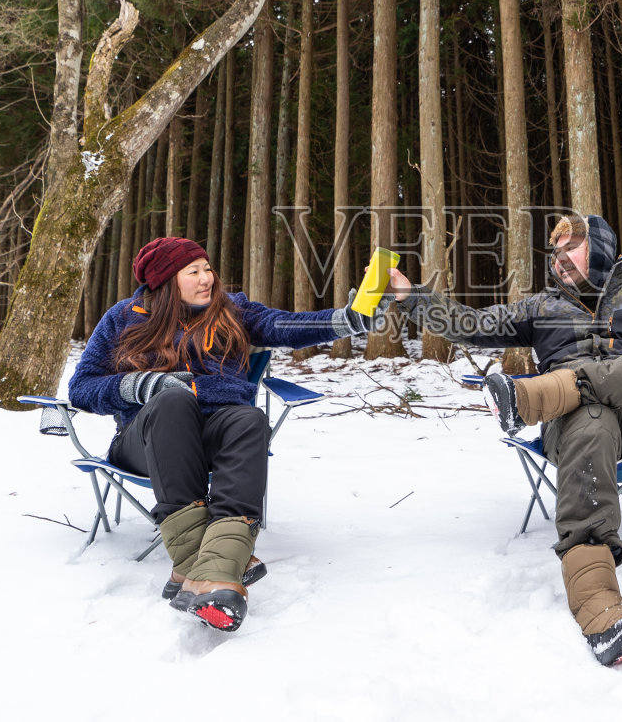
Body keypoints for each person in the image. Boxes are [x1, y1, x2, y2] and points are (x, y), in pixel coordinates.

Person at [387, 213, 622, 665]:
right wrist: (411, 297)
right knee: (592, 414)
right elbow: (473, 325)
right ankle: (599, 607)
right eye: (554, 254)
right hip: (581, 432)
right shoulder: (540, 306)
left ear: (597, 247)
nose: (558, 260)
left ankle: (542, 394)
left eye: (569, 249)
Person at [67, 236, 385, 633]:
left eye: (208, 268)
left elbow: (282, 325)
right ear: (166, 282)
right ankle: (215, 561)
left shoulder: (231, 310)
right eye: (193, 272)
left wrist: (350, 319)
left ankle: (211, 575)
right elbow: (81, 388)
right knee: (172, 402)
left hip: (216, 431)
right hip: (146, 437)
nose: (207, 279)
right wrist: (144, 385)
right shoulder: (123, 317)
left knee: (248, 420)